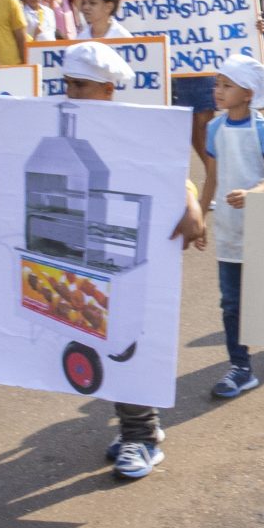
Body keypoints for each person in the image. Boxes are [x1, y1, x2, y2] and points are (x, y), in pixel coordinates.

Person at [44, 41, 205, 482]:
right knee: (97, 338)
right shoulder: (60, 129)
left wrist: (191, 202)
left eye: (80, 85)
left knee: (125, 342)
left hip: (124, 255)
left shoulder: (134, 129)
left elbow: (170, 174)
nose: (71, 92)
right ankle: (137, 424)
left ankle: (142, 436)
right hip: (82, 254)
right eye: (67, 83)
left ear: (107, 90)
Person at [198, 56, 264, 397]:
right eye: (217, 84)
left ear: (248, 93)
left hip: (262, 228)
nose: (218, 91)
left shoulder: (263, 129)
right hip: (229, 231)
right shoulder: (215, 129)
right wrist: (200, 216)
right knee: (231, 303)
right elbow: (211, 178)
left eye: (227, 86)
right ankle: (240, 368)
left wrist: (254, 193)